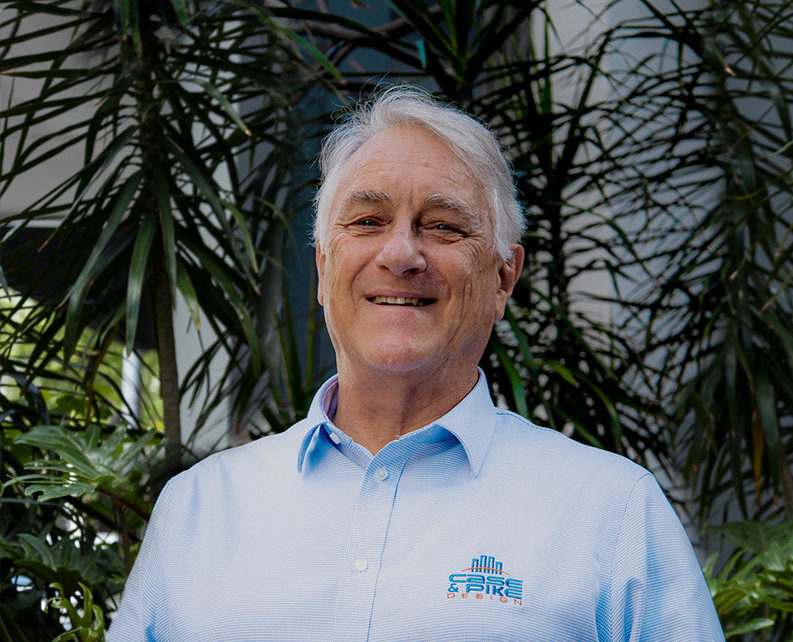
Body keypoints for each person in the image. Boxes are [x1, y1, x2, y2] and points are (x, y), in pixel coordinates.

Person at [108, 86, 724, 641]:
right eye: (368, 221)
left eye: (443, 226)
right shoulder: (198, 507)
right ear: (324, 268)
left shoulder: (613, 512)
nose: (401, 254)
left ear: (505, 276)